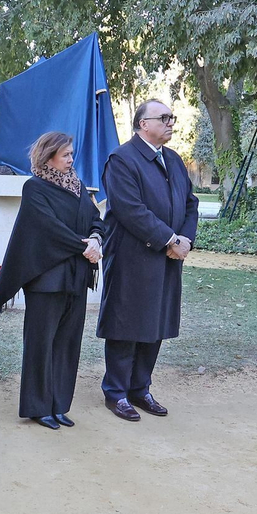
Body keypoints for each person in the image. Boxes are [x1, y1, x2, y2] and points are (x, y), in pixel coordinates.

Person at [0, 132, 105, 428]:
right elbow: (48, 229)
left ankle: (58, 404)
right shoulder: (34, 188)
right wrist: (84, 247)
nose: (71, 159)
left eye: (71, 154)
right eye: (65, 154)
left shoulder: (77, 187)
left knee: (67, 344)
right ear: (48, 156)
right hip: (46, 281)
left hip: (76, 278)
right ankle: (38, 408)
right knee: (41, 344)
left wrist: (96, 239)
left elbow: (95, 220)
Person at [97, 100, 198, 422]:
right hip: (132, 256)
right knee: (127, 322)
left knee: (155, 323)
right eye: (164, 118)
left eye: (172, 118)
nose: (171, 123)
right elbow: (130, 209)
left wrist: (184, 240)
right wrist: (170, 239)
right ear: (143, 124)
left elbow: (191, 204)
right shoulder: (122, 159)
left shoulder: (173, 159)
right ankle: (116, 392)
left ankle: (140, 388)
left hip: (168, 257)